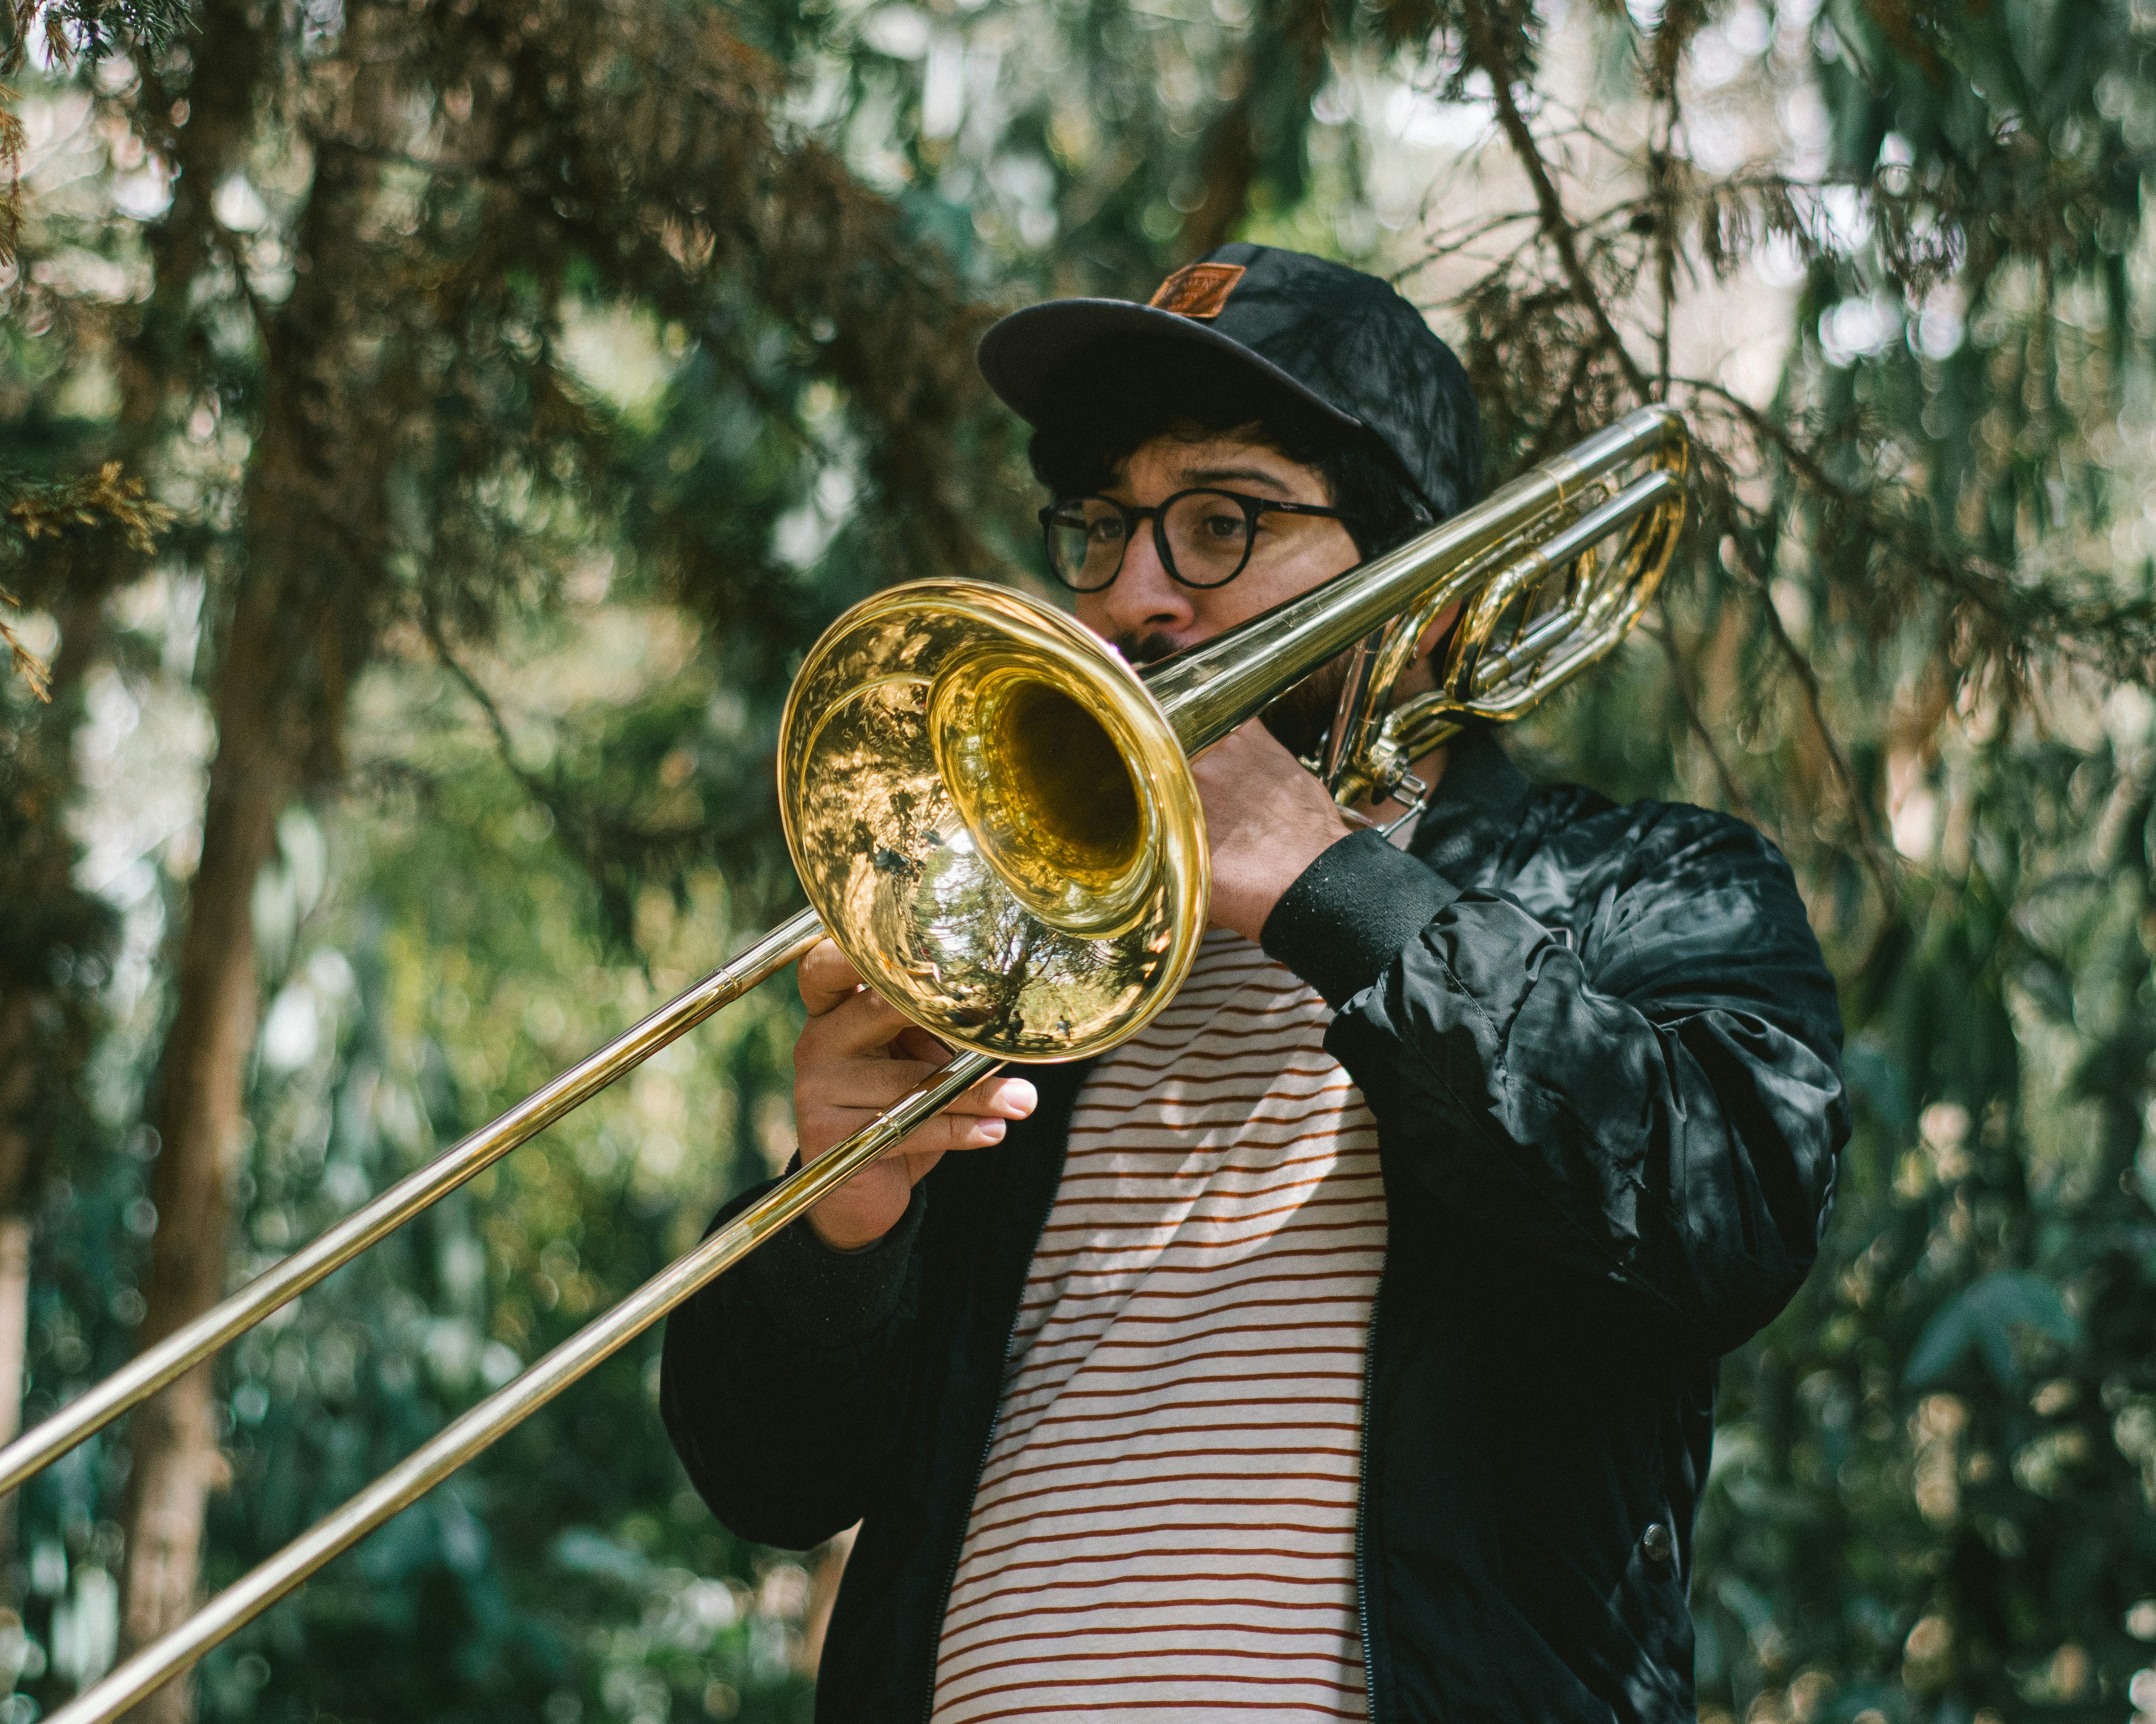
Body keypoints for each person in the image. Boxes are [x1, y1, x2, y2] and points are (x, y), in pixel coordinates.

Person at [661, 242, 1848, 1724]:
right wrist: (837, 1222)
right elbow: (767, 1476)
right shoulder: (1029, 952)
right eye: (1101, 529)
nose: (1135, 595)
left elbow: (1721, 1213)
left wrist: (1333, 888)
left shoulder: (1643, 884)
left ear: (1426, 588)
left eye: (1222, 523)